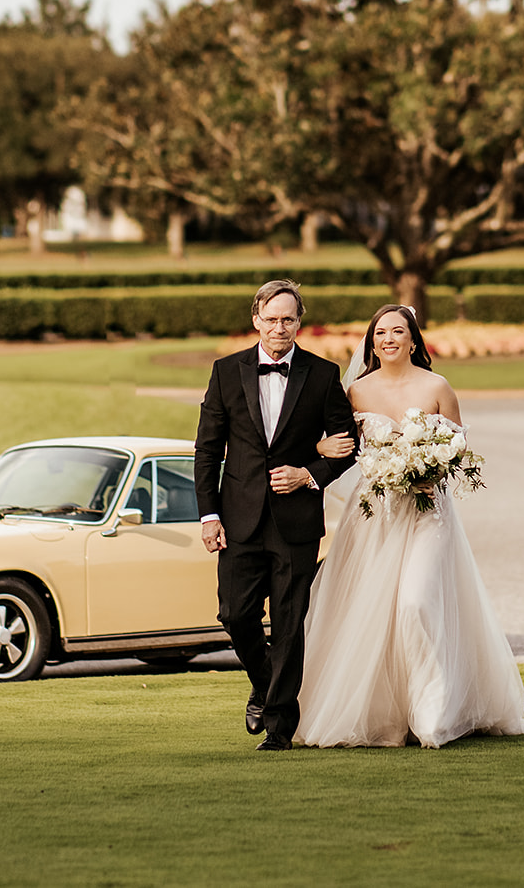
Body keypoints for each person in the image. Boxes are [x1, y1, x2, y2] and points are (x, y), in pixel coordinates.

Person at [294, 304, 524, 748]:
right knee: (373, 613)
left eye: (397, 331)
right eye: (380, 332)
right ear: (371, 341)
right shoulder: (357, 392)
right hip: (375, 515)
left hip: (428, 513)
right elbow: (339, 446)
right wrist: (322, 444)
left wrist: (431, 469)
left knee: (416, 603)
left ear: (413, 340)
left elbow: (459, 448)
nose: (388, 339)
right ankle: (386, 714)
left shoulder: (437, 387)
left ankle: (434, 712)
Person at [194, 280, 358, 752]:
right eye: (271, 319)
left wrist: (308, 472)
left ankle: (281, 728)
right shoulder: (226, 372)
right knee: (235, 614)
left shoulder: (323, 375)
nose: (279, 327)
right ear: (256, 320)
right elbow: (208, 450)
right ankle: (266, 687)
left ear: (299, 322)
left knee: (289, 622)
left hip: (297, 524)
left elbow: (348, 447)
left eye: (288, 319)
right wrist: (208, 515)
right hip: (238, 518)